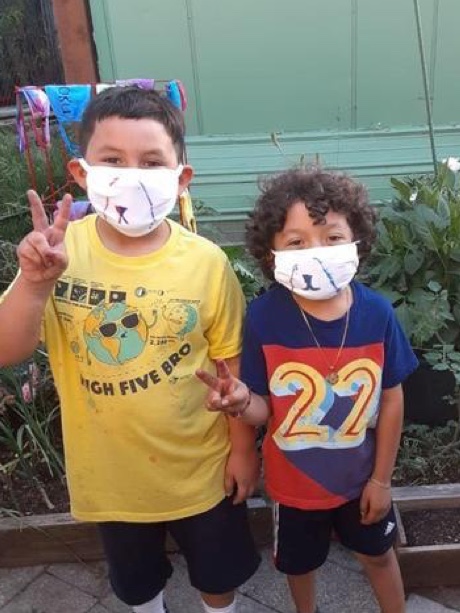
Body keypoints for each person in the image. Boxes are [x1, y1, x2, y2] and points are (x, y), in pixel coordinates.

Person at [0, 86, 260, 613]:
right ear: (81, 172)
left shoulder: (208, 264)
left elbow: (228, 369)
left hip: (202, 472)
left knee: (219, 577)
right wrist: (32, 284)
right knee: (138, 586)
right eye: (113, 160)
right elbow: (9, 350)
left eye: (151, 161)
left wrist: (241, 449)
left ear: (180, 177)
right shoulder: (58, 253)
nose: (132, 174)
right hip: (112, 479)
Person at [197, 167, 418, 613]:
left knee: (378, 554)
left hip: (361, 481)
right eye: (296, 242)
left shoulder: (377, 314)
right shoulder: (263, 318)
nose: (316, 251)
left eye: (332, 237)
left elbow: (391, 398)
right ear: (271, 252)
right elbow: (264, 409)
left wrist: (382, 480)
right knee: (299, 565)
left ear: (356, 239)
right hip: (292, 488)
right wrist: (241, 403)